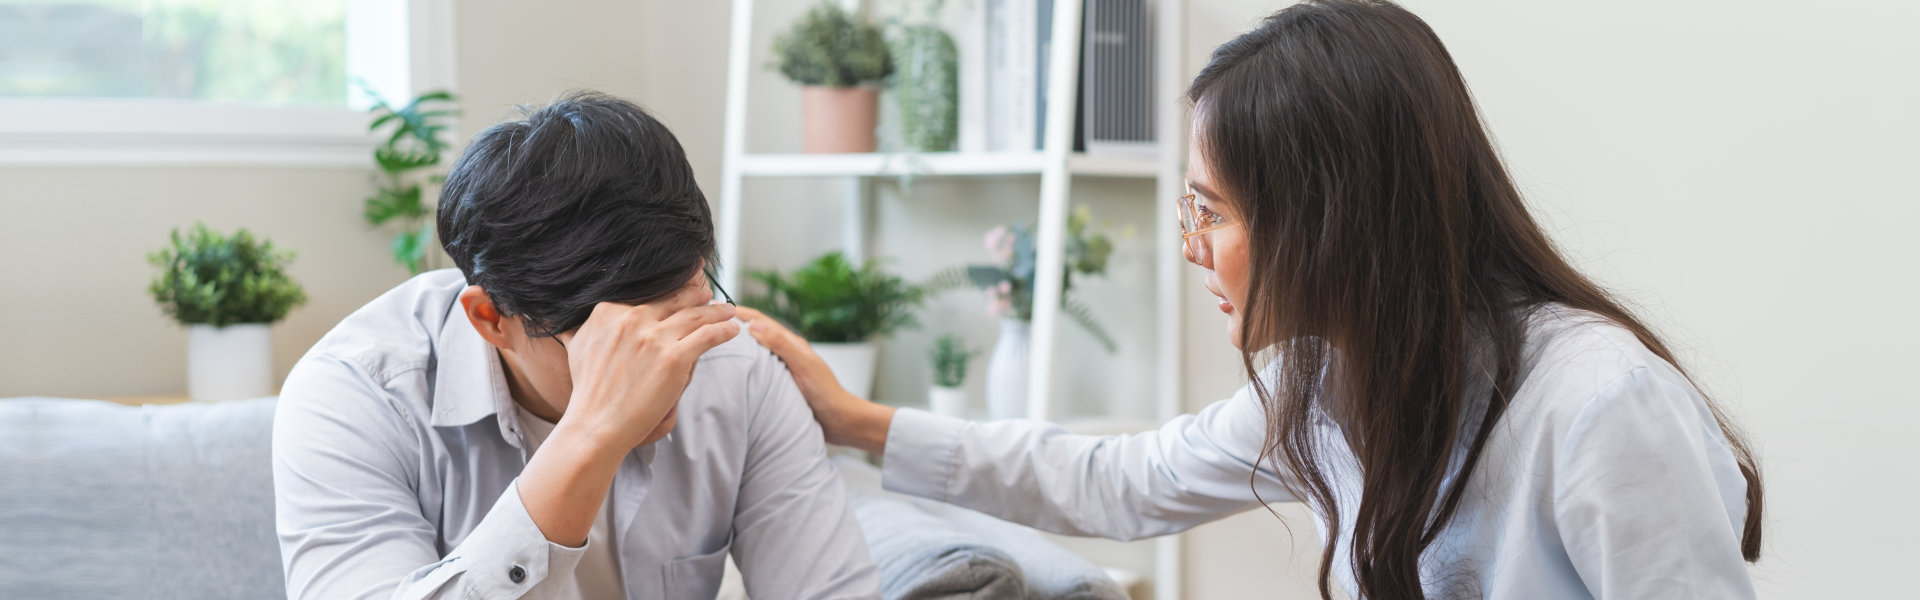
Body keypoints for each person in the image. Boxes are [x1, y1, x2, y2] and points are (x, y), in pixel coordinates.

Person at [737, 1, 1764, 598]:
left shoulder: (1598, 404)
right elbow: (1122, 483)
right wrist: (855, 420)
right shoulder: (1325, 381)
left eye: (1212, 214)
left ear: (1331, 220)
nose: (1194, 251)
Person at [271, 92, 880, 599]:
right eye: (618, 346)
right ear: (491, 318)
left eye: (682, 318)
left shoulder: (735, 366)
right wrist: (592, 435)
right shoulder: (356, 393)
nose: (669, 369)